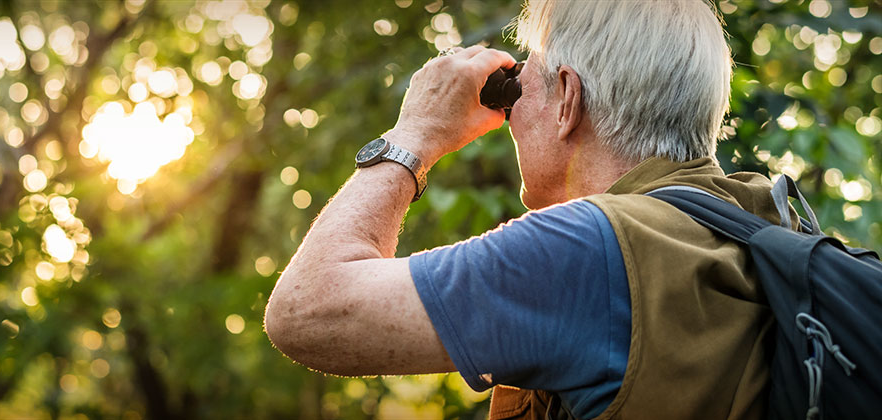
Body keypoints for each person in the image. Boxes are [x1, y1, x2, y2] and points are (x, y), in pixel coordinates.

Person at [265, 1, 784, 418]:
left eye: (520, 86)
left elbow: (305, 312)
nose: (509, 116)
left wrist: (414, 135)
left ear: (567, 100)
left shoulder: (588, 250)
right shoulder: (763, 221)